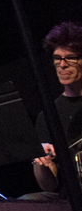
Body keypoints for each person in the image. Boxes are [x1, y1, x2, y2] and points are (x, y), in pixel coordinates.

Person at [26, 21, 82, 200]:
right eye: (58, 58)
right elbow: (49, 186)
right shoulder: (48, 117)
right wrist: (41, 163)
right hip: (71, 198)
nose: (63, 65)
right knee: (28, 202)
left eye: (70, 57)